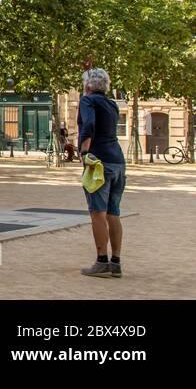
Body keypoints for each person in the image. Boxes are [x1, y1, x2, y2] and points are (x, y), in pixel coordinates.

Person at [79, 68, 125, 278]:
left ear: (88, 86)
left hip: (99, 161)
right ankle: (116, 262)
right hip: (117, 160)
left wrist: (85, 150)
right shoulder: (112, 103)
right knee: (113, 212)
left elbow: (88, 124)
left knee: (97, 212)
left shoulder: (87, 101)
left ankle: (101, 261)